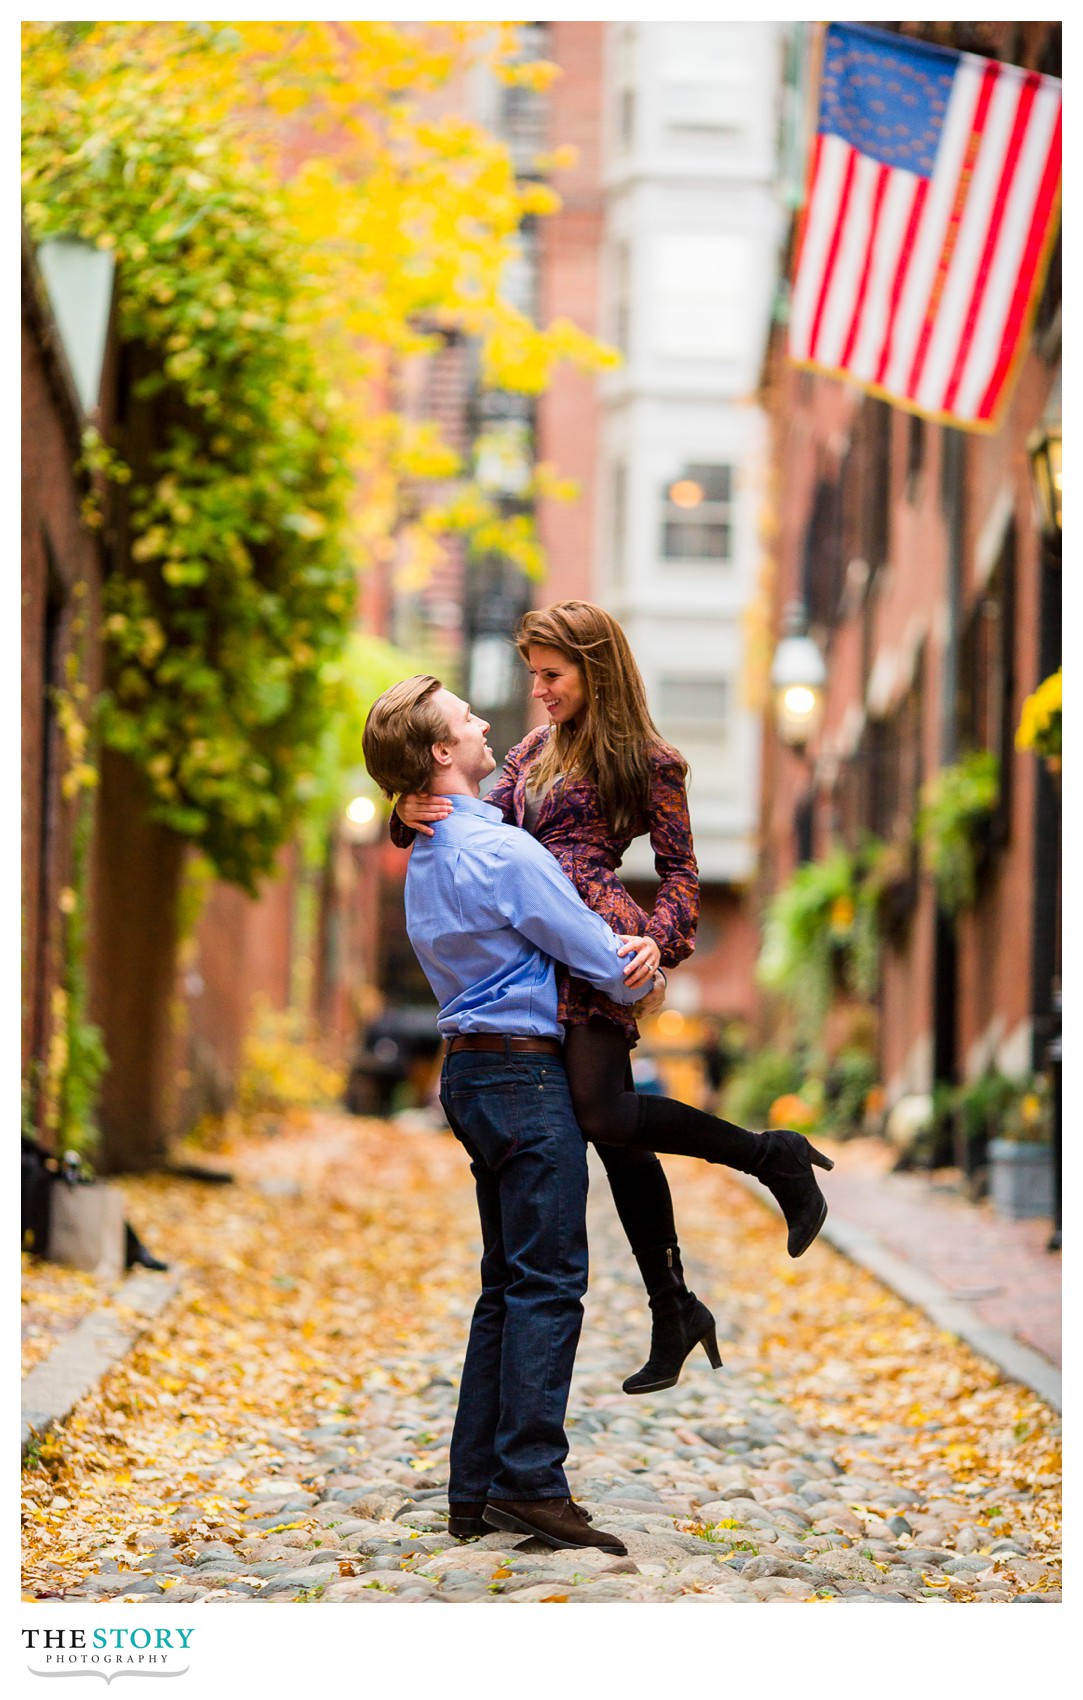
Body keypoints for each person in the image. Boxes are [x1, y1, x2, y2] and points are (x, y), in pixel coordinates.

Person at [393, 601, 833, 1397]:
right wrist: (405, 811)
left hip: (598, 943)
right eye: (531, 674)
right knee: (617, 1137)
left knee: (601, 1117)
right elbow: (470, 823)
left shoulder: (647, 760)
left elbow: (682, 874)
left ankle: (774, 1158)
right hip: (532, 940)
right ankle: (673, 1304)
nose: (538, 690)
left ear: (595, 669)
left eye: (551, 675)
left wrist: (657, 943)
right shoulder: (530, 750)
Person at [362, 673, 664, 1555]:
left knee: (506, 1284)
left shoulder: (430, 848)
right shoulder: (501, 856)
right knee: (547, 1283)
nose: (485, 718)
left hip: (470, 1077)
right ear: (443, 755)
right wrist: (639, 956)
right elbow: (596, 956)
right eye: (465, 717)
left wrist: (399, 804)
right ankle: (531, 1482)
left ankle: (477, 1487)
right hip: (527, 1081)